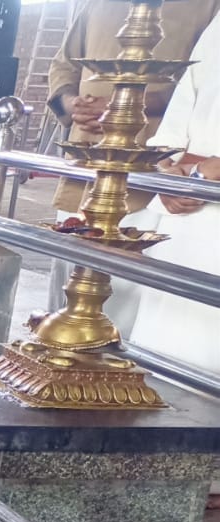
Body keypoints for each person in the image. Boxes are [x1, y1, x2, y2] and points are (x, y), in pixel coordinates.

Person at [108, 15, 220, 507]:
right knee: (167, 355)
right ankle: (164, 464)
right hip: (186, 215)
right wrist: (170, 168)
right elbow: (178, 120)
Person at [45, 0, 220, 307]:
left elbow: (195, 87)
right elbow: (65, 64)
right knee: (66, 287)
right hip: (85, 165)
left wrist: (124, 106)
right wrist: (71, 102)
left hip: (143, 176)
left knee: (121, 299)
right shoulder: (95, 4)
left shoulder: (205, 8)